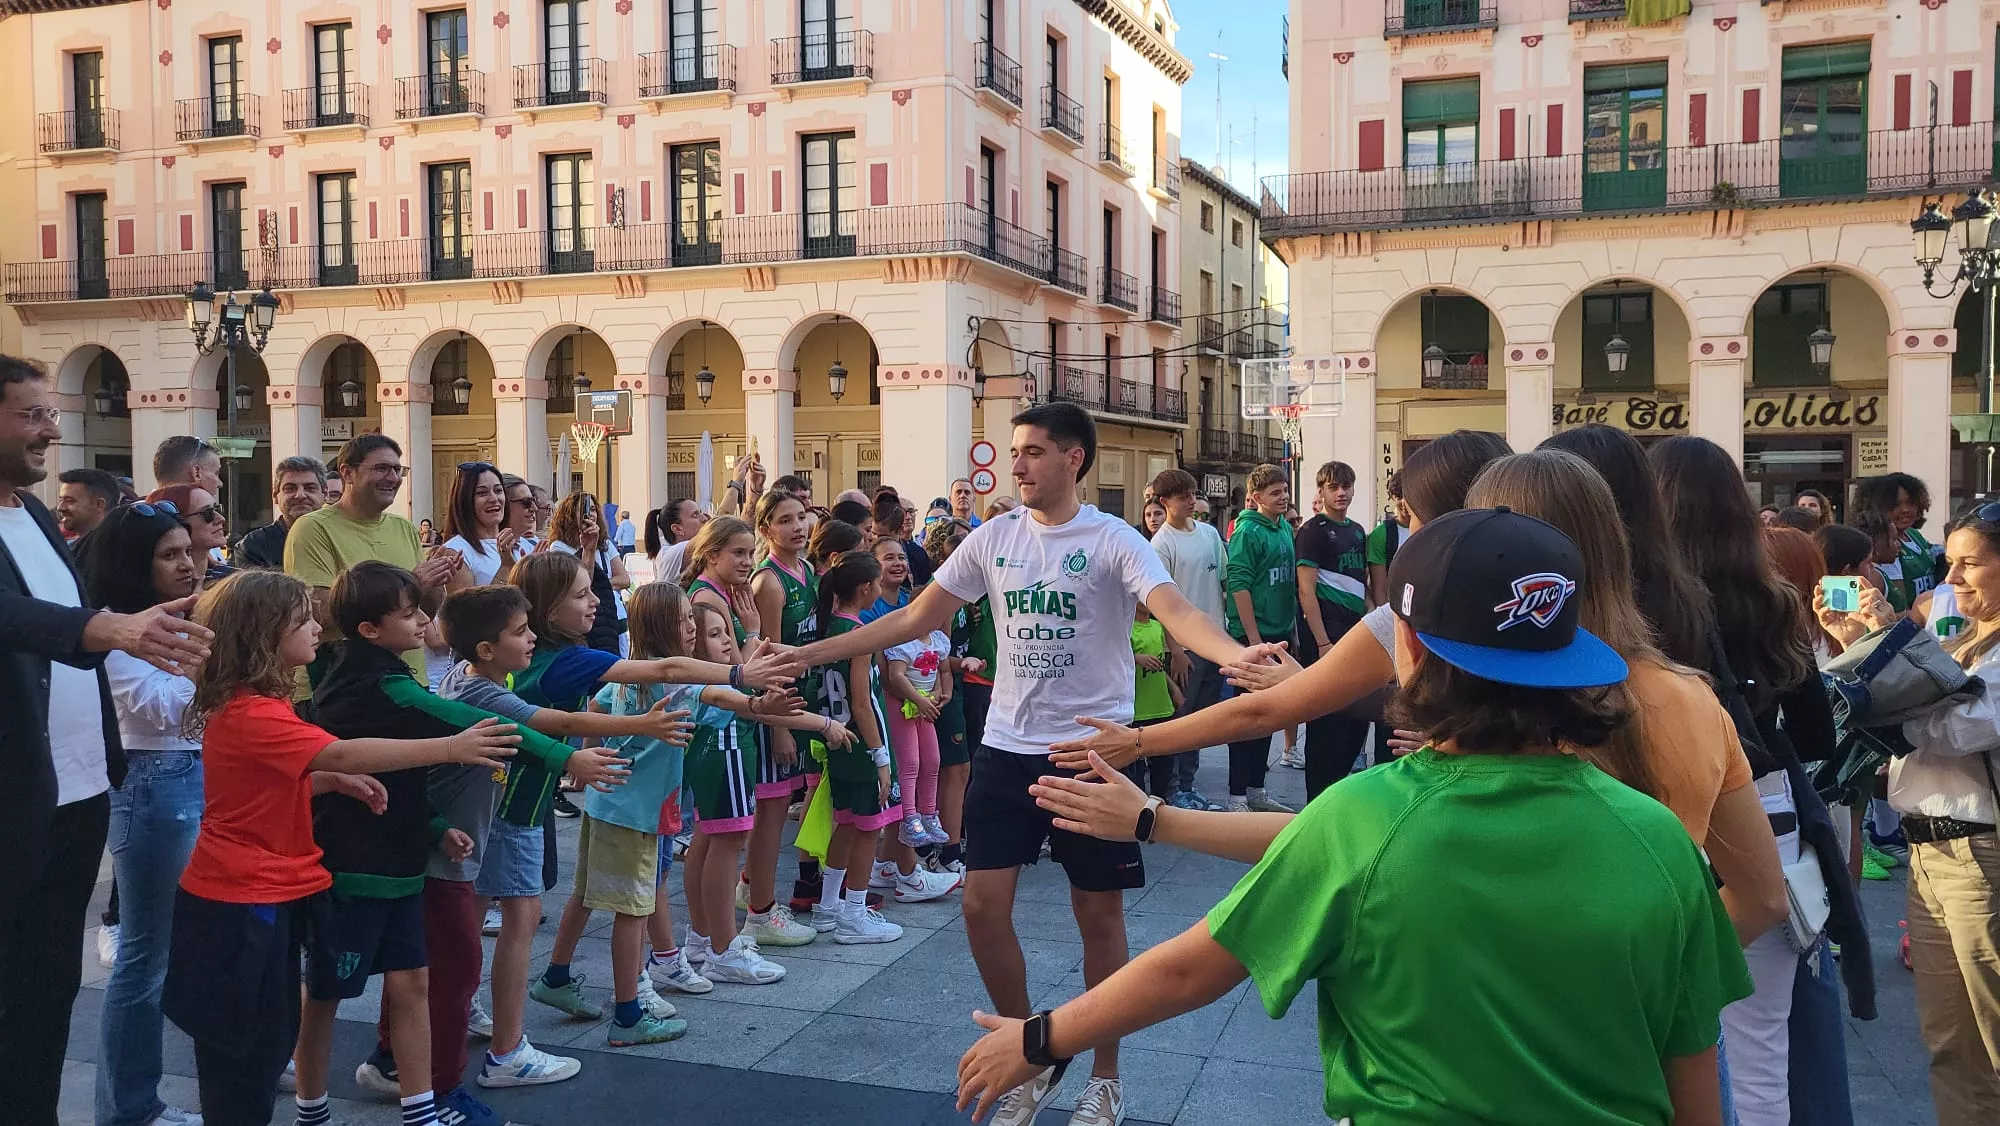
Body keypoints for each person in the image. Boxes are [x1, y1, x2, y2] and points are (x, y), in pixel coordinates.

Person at [978, 509, 1754, 1125]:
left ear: (1407, 645)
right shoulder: (1658, 839)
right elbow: (1693, 1075)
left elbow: (1188, 970)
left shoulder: (1365, 815)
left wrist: (1039, 1038)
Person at [790, 403, 1276, 1126]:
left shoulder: (1113, 539)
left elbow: (1176, 610)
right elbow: (914, 617)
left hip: (1089, 753)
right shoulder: (994, 537)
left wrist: (1236, 655)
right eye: (1014, 451)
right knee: (981, 908)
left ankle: (1105, 1077)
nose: (1016, 465)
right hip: (1006, 749)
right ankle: (1031, 1052)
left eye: (1033, 452)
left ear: (1074, 459)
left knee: (1097, 915)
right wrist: (805, 653)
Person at [161, 569, 519, 1126]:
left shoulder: (261, 703)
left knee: (263, 1041)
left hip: (261, 894)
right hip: (240, 900)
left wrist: (325, 782)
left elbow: (265, 783)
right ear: (264, 635)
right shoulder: (255, 712)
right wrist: (451, 746)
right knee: (246, 1055)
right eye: (301, 620)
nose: (316, 627)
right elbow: (344, 751)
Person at [296, 562, 595, 1126]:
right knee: (333, 993)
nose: (422, 621)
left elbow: (402, 780)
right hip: (360, 870)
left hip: (403, 862)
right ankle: (320, 1109)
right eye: (409, 613)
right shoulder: (381, 684)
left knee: (415, 982)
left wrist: (435, 825)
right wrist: (565, 758)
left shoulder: (372, 675)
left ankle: (425, 1103)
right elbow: (466, 723)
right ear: (369, 629)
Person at [0, 356, 211, 1126]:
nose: (49, 431)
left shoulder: (30, 516)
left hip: (82, 793)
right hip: (16, 797)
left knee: (47, 993)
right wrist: (106, 628)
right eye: (31, 415)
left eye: (51, 414)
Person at [1651, 435, 1848, 1126]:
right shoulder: (1772, 599)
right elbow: (1818, 735)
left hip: (1670, 815)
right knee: (1761, 1047)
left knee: (1673, 1038)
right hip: (1768, 821)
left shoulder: (1650, 607)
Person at [1821, 502, 2000, 1125]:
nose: (1952, 579)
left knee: (1990, 1037)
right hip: (1931, 854)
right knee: (1952, 1042)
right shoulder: (1966, 638)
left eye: (1970, 564)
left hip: (1980, 853)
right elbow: (1917, 707)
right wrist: (1862, 645)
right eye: (1950, 562)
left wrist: (1886, 665)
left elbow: (1959, 728)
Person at [81, 504, 204, 1126]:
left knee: (175, 947)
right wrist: (209, 668)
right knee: (144, 956)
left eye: (187, 550)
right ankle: (128, 1107)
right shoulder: (117, 628)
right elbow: (159, 709)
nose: (187, 564)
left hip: (186, 775)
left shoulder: (177, 620)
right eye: (168, 555)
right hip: (151, 783)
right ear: (134, 563)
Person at [285, 433, 462, 690]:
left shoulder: (404, 527)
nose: (393, 478)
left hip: (408, 680)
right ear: (347, 473)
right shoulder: (312, 528)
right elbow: (317, 613)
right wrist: (411, 584)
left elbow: (421, 614)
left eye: (397, 470)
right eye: (381, 468)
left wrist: (435, 581)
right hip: (342, 687)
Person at [806, 551, 916, 944]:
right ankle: (854, 912)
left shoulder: (827, 626)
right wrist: (881, 756)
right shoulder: (858, 634)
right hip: (862, 740)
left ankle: (828, 904)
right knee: (870, 827)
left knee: (848, 823)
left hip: (838, 740)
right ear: (866, 588)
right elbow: (862, 702)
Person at [1291, 461, 1373, 801]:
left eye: (1346, 486)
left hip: (1355, 636)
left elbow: (1362, 585)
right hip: (1326, 639)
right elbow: (1306, 590)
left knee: (1356, 718)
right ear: (1321, 491)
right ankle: (1317, 801)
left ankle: (1338, 796)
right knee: (1326, 721)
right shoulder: (1313, 531)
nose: (1341, 493)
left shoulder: (1358, 531)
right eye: (1333, 487)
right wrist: (1322, 641)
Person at [1146, 469, 1226, 811]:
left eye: (1193, 495)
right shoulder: (1161, 544)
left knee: (1201, 722)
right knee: (1182, 720)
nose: (1191, 501)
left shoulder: (1209, 534)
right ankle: (1174, 790)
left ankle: (1190, 786)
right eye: (1183, 498)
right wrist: (1175, 650)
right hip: (1184, 648)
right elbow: (1160, 604)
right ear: (1165, 502)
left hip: (1214, 641)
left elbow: (1222, 582)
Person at [1222, 463, 1297, 813]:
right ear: (1256, 498)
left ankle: (1256, 789)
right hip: (1254, 638)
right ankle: (1236, 795)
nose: (1283, 497)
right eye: (1275, 493)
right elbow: (1239, 585)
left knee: (1269, 716)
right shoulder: (1247, 532)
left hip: (1280, 633)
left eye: (1285, 491)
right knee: (1246, 718)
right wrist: (1254, 641)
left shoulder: (1284, 527)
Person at [922, 517, 981, 876]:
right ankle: (946, 848)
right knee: (953, 768)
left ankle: (949, 841)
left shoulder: (965, 595)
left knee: (958, 767)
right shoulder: (942, 592)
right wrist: (963, 663)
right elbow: (937, 651)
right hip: (942, 688)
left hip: (956, 684)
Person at [545, 492, 631, 656]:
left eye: (593, 509)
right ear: (570, 514)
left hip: (613, 614)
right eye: (584, 509)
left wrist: (601, 585)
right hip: (587, 619)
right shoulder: (559, 547)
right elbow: (581, 583)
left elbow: (624, 579)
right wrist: (588, 551)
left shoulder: (604, 543)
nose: (590, 514)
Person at [1855, 472, 1945, 612]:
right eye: (1895, 505)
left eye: (1911, 503)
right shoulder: (1886, 550)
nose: (1905, 510)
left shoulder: (1914, 535)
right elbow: (1899, 605)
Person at [232, 456, 329, 569]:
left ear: (325, 494)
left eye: (310, 488)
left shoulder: (339, 537)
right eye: (290, 488)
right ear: (275, 496)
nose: (300, 495)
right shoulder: (253, 547)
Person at [441, 461, 523, 589]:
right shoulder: (456, 552)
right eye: (482, 493)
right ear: (465, 500)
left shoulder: (518, 543)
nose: (494, 499)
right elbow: (465, 602)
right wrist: (505, 567)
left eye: (498, 490)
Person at [148, 483, 233, 587]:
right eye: (208, 513)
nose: (221, 519)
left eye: (218, 509)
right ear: (176, 521)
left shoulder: (233, 583)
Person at [1362, 470, 1407, 607]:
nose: (1404, 502)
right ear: (1392, 497)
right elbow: (1379, 589)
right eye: (1399, 496)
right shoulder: (1382, 533)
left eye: (1408, 496)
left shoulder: (1431, 527)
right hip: (1394, 610)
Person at [645, 498, 706, 589]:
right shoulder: (668, 554)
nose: (704, 518)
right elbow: (712, 533)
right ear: (677, 529)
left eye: (701, 512)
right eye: (695, 515)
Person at [57, 466, 118, 545]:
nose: (60, 508)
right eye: (61, 500)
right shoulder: (66, 548)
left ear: (99, 504)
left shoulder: (121, 547)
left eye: (69, 500)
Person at [151, 436, 221, 496]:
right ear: (197, 473)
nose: (220, 484)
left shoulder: (148, 506)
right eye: (216, 473)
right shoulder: (199, 506)